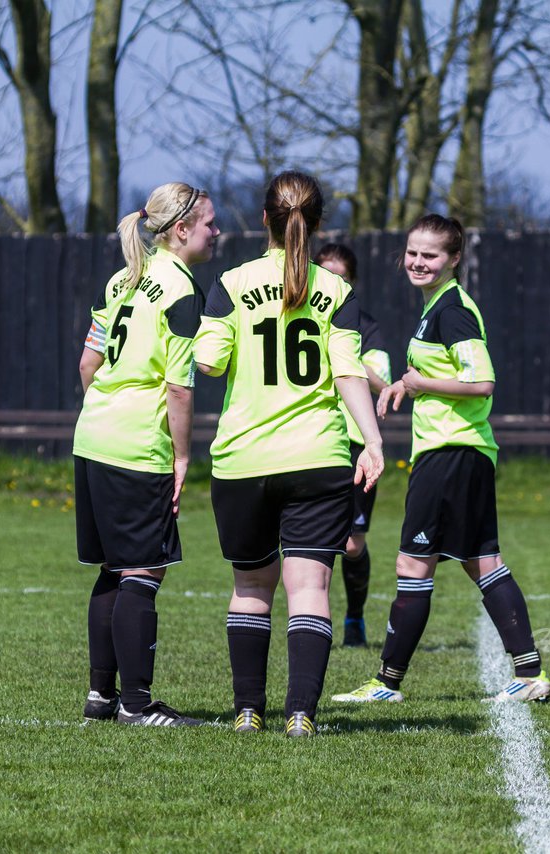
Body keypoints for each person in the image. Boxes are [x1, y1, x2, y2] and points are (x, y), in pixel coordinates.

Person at [194, 171, 384, 737]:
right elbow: (351, 372)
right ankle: (300, 714)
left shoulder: (231, 283)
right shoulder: (338, 292)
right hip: (318, 458)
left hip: (243, 460)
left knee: (252, 588)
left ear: (264, 221)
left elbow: (208, 364)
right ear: (317, 222)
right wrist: (372, 441)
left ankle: (249, 712)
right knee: (309, 590)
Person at [333, 214, 550, 706]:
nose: (417, 262)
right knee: (482, 561)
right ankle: (529, 672)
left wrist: (416, 383)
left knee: (413, 563)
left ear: (454, 259)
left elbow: (481, 383)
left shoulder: (453, 309)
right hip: (462, 451)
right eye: (412, 252)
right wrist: (401, 385)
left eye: (430, 255)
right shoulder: (436, 305)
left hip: (450, 452)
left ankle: (386, 683)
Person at [74, 182, 218, 727]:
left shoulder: (120, 278)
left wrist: (106, 412)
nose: (217, 231)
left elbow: (88, 364)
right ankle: (137, 705)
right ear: (181, 230)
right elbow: (180, 388)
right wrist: (183, 458)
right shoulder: (182, 291)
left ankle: (101, 698)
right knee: (143, 571)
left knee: (115, 569)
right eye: (209, 223)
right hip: (136, 445)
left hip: (93, 436)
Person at [313, 243, 392, 647]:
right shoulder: (297, 315)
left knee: (351, 544)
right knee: (314, 539)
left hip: (356, 443)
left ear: (352, 282)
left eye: (340, 277)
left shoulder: (366, 325)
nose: (332, 283)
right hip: (312, 439)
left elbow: (381, 384)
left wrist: (342, 351)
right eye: (325, 273)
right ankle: (315, 624)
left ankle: (355, 617)